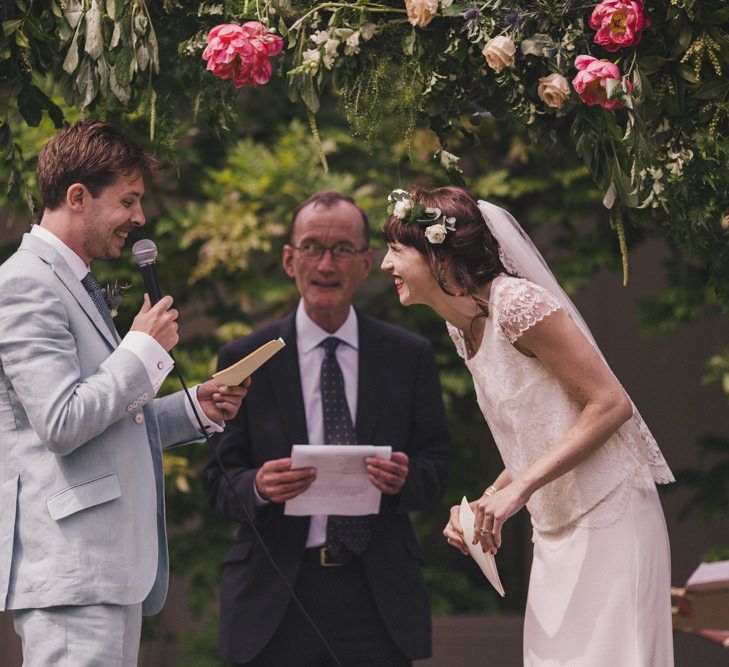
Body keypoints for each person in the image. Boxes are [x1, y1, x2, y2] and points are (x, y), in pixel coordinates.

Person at [381, 185, 675, 665]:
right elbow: (535, 436)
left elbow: (610, 404)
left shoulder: (516, 302)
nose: (386, 266)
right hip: (555, 529)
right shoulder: (463, 328)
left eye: (395, 251)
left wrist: (517, 493)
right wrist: (486, 502)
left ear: (437, 255)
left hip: (610, 516)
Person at [0, 119, 248, 667]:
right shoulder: (25, 282)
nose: (139, 218)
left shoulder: (73, 281)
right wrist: (140, 350)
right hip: (73, 572)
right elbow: (63, 422)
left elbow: (108, 421)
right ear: (78, 196)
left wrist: (193, 407)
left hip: (107, 573)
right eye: (128, 200)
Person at [204, 191, 451, 666]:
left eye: (342, 250)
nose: (326, 263)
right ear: (289, 259)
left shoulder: (408, 355)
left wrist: (405, 479)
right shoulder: (244, 358)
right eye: (313, 247)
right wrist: (256, 485)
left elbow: (437, 467)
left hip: (377, 597)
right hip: (275, 596)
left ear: (364, 263)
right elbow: (216, 480)